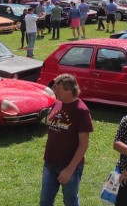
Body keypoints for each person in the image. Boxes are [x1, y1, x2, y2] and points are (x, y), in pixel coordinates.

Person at [40, 74, 94, 206]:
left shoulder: (81, 111)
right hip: (50, 163)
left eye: (58, 89)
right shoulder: (57, 103)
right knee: (45, 201)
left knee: (70, 202)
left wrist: (70, 169)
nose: (55, 92)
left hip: (70, 166)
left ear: (69, 90)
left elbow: (83, 145)